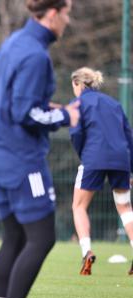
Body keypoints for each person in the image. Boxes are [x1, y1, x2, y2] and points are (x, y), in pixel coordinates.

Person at [0, 1, 79, 298]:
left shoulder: (13, 42)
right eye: (67, 12)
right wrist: (65, 114)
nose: (68, 19)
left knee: (16, 235)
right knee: (42, 237)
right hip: (21, 158)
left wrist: (31, 101)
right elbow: (26, 114)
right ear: (52, 14)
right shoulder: (36, 55)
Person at [69, 67, 133, 276]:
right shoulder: (114, 103)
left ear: (77, 84)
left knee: (79, 206)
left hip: (93, 158)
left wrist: (83, 154)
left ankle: (87, 251)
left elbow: (76, 133)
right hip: (121, 158)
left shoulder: (78, 103)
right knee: (124, 207)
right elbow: (128, 136)